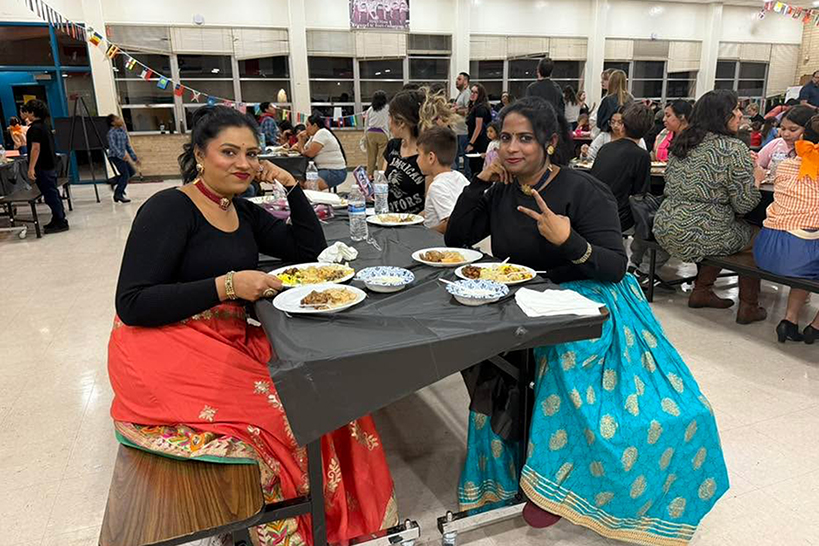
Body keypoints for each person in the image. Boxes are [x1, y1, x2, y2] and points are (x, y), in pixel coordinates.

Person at [444, 96, 728, 545]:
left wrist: (568, 239)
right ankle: (523, 466)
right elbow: (458, 239)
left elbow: (614, 266)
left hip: (592, 301)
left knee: (570, 369)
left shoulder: (583, 190)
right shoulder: (499, 189)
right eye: (505, 138)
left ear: (550, 143)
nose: (512, 148)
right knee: (492, 367)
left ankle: (560, 485)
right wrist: (479, 180)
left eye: (525, 139)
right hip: (523, 300)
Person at [109, 106, 395, 546]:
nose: (243, 163)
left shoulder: (240, 210)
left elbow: (308, 249)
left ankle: (338, 521)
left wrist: (290, 184)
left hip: (227, 336)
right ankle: (287, 530)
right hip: (165, 344)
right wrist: (226, 285)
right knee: (286, 415)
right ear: (200, 154)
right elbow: (131, 303)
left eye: (251, 153)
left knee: (328, 388)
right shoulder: (169, 208)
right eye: (228, 152)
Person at [654, 90, 767, 324]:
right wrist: (756, 178)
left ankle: (702, 290)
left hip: (666, 225)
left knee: (722, 230)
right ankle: (749, 305)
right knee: (757, 237)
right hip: (702, 232)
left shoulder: (683, 142)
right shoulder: (733, 149)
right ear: (721, 115)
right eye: (736, 109)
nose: (740, 115)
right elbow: (744, 203)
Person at [753, 115, 819, 344]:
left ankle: (789, 320)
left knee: (809, 262)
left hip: (767, 248)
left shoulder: (785, 166)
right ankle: (816, 326)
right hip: (798, 253)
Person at [384, 87, 457, 214]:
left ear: (401, 122)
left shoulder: (427, 155)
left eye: (390, 116)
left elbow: (430, 207)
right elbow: (383, 182)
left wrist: (409, 223)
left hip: (414, 227)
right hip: (389, 220)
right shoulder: (393, 146)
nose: (388, 122)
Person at [591, 102, 652, 233]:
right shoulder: (642, 156)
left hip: (593, 210)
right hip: (618, 218)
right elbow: (641, 194)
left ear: (623, 126)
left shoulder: (606, 148)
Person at [21, 100, 68, 234]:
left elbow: (35, 149)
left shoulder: (35, 129)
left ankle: (60, 221)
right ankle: (57, 217)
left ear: (32, 112)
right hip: (50, 165)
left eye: (27, 111)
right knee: (52, 193)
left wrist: (31, 168)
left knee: (50, 195)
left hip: (43, 167)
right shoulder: (45, 126)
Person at [417, 126, 469, 234]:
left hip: (438, 245)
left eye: (419, 154)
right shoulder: (459, 176)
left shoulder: (437, 186)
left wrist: (425, 234)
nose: (417, 160)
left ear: (431, 157)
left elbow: (450, 223)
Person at [756, 105, 814, 180]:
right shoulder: (776, 144)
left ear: (808, 130)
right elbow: (757, 164)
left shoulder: (814, 150)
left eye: (793, 130)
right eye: (783, 129)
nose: (786, 134)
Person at [295, 113, 348, 190]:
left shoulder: (322, 133)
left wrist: (302, 147)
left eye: (307, 125)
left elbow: (309, 153)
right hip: (322, 169)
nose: (306, 129)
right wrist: (300, 139)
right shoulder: (314, 136)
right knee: (299, 181)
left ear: (315, 125)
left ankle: (316, 201)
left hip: (334, 171)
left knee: (309, 185)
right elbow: (302, 150)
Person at [581, 109, 647, 161]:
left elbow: (643, 157)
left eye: (620, 122)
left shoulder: (636, 138)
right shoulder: (603, 137)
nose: (615, 126)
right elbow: (590, 158)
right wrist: (584, 154)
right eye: (612, 122)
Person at [106, 114, 140, 204]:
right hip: (115, 156)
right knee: (125, 175)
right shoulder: (111, 133)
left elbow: (127, 146)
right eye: (117, 119)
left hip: (122, 157)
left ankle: (114, 181)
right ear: (113, 123)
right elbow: (113, 146)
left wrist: (134, 158)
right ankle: (118, 194)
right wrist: (121, 155)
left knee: (131, 172)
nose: (120, 119)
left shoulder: (123, 131)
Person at [466, 83, 493, 176]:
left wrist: (471, 143)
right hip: (476, 140)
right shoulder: (474, 107)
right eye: (472, 92)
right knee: (473, 167)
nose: (473, 94)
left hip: (480, 142)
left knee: (477, 168)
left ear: (480, 94)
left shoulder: (480, 108)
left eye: (476, 92)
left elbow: (478, 127)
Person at [364, 90, 391, 179]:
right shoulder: (387, 108)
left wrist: (365, 136)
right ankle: (381, 177)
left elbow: (366, 124)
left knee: (371, 157)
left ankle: (369, 176)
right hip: (382, 133)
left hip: (370, 133)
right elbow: (389, 122)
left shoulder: (370, 109)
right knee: (381, 157)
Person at [595, 69, 631, 134]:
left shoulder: (607, 100)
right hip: (626, 134)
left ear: (611, 81)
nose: (602, 82)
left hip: (609, 134)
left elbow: (599, 123)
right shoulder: (630, 99)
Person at [452, 72, 472, 176]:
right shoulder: (461, 94)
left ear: (465, 82)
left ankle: (467, 180)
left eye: (459, 79)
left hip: (463, 131)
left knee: (464, 157)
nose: (456, 81)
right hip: (457, 130)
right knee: (455, 157)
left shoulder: (467, 94)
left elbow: (468, 111)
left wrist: (456, 111)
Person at [589, 68, 613, 137]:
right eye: (602, 79)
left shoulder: (609, 100)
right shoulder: (605, 97)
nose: (602, 82)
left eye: (605, 80)